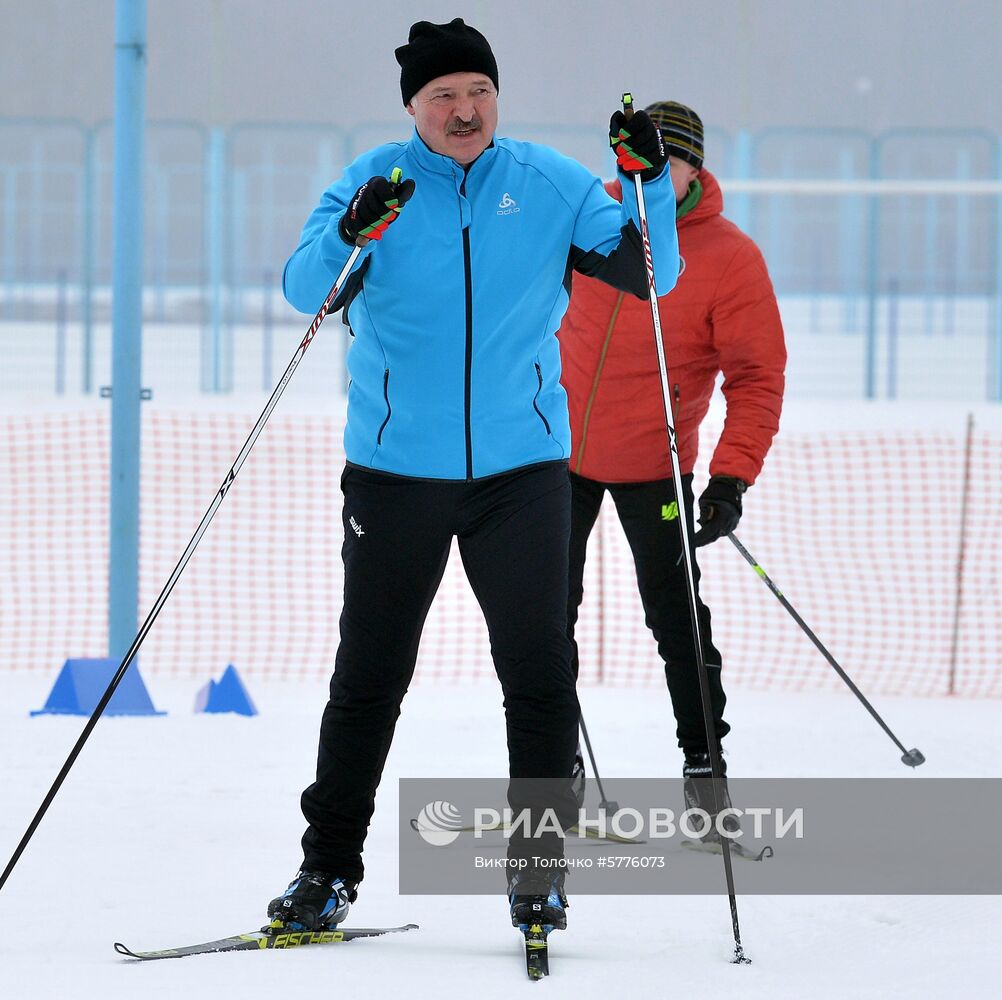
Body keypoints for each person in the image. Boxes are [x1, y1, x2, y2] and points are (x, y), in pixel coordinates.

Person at [269, 18, 678, 936]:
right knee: (368, 678)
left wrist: (644, 181)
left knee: (538, 672)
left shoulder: (550, 183)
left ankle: (538, 871)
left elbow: (648, 274)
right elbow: (304, 288)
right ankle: (326, 871)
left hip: (520, 471)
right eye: (444, 96)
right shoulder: (375, 181)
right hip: (393, 472)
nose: (465, 110)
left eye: (478, 92)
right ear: (412, 107)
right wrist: (349, 233)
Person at [558, 100, 786, 836]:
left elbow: (756, 375)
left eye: (666, 158)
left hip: (654, 466)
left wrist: (730, 478)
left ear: (691, 165)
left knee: (676, 619)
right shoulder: (587, 221)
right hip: (551, 460)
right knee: (539, 617)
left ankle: (703, 773)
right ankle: (549, 766)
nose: (649, 171)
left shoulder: (728, 256)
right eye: (634, 157)